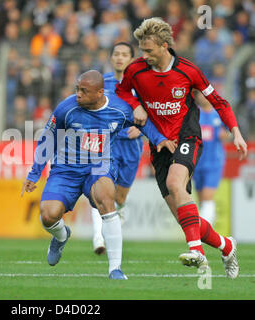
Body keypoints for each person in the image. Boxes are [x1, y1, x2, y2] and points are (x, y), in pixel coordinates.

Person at [116, 17, 247, 278]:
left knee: (177, 184)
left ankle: (196, 251)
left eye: (149, 50)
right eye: (142, 50)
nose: (144, 55)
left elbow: (218, 102)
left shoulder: (188, 71)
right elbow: (122, 92)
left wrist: (236, 132)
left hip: (187, 136)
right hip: (159, 145)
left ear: (165, 46)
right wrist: (136, 106)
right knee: (186, 219)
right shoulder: (136, 71)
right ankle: (227, 246)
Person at [21, 70, 176, 280]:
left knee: (106, 198)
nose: (78, 94)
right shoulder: (67, 108)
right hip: (66, 169)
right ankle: (61, 236)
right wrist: (34, 173)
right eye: (77, 89)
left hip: (99, 167)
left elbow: (144, 124)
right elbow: (48, 138)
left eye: (84, 91)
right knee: (48, 215)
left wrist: (159, 139)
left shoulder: (119, 109)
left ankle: (115, 269)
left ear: (100, 92)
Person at [91, 42, 143, 255]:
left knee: (119, 198)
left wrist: (142, 129)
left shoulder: (141, 84)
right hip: (107, 145)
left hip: (131, 147)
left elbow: (154, 111)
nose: (120, 58)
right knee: (102, 192)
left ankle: (115, 216)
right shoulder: (102, 84)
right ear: (111, 58)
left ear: (132, 59)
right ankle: (98, 237)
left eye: (125, 55)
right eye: (116, 54)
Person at [192, 92, 229, 226]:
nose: (203, 97)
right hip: (197, 162)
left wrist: (225, 135)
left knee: (208, 195)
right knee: (202, 198)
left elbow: (229, 132)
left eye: (205, 94)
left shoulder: (218, 114)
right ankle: (208, 227)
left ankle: (203, 230)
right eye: (200, 94)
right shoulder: (194, 113)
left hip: (214, 162)